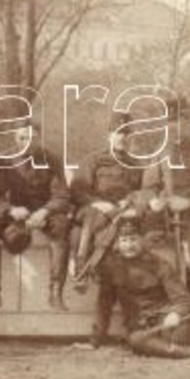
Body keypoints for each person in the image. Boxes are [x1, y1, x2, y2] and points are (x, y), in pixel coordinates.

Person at [135, 96, 190, 326]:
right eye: (171, 122)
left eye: (181, 121)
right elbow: (148, 185)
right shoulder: (160, 152)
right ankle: (160, 313)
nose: (175, 127)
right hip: (164, 215)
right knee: (153, 252)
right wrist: (154, 200)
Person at [93, 219, 190, 359]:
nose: (129, 245)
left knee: (181, 335)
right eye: (124, 240)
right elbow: (104, 306)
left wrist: (175, 314)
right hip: (139, 328)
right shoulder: (111, 269)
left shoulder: (159, 265)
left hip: (165, 321)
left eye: (133, 239)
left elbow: (184, 299)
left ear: (142, 240)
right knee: (136, 341)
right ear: (117, 243)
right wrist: (96, 339)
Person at [0, 119, 71, 312]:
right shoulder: (3, 160)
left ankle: (55, 292)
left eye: (31, 137)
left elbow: (61, 195)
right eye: (22, 137)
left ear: (38, 138)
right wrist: (11, 210)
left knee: (62, 228)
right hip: (15, 212)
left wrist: (45, 211)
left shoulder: (51, 159)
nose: (27, 142)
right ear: (15, 138)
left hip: (44, 212)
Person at [69, 112, 150, 292]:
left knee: (120, 227)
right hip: (94, 209)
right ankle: (81, 263)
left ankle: (89, 270)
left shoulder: (136, 165)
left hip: (121, 211)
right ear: (109, 135)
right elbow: (78, 189)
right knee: (95, 218)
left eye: (126, 134)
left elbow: (141, 191)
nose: (122, 138)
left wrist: (128, 202)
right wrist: (98, 203)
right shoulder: (93, 160)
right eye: (118, 133)